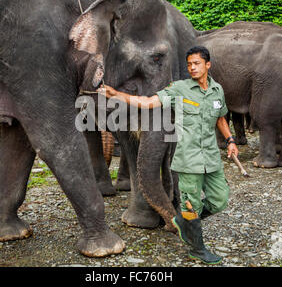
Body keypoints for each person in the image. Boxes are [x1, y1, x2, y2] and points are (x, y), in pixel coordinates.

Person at [98, 46, 238, 264]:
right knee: (192, 203)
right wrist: (117, 95)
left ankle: (183, 222)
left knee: (220, 200)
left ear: (207, 65)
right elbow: (149, 102)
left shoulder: (217, 90)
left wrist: (230, 140)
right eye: (189, 64)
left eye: (197, 64)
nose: (192, 68)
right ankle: (197, 248)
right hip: (188, 159)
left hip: (211, 158)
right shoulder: (179, 89)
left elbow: (220, 117)